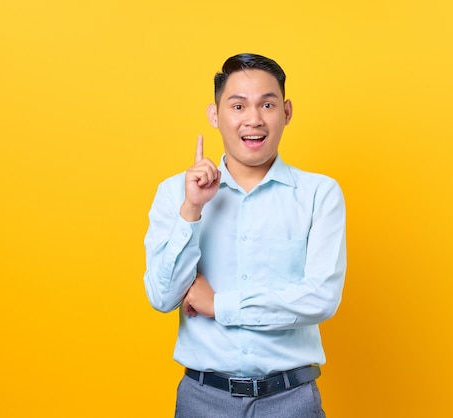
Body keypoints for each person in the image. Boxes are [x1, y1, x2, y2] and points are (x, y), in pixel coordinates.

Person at [143, 53, 346, 417]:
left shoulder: (319, 194)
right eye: (238, 105)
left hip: (291, 400)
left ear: (286, 112)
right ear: (215, 115)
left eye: (267, 104)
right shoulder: (175, 193)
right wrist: (191, 211)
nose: (253, 119)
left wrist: (218, 305)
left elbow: (321, 298)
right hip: (202, 399)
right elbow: (161, 296)